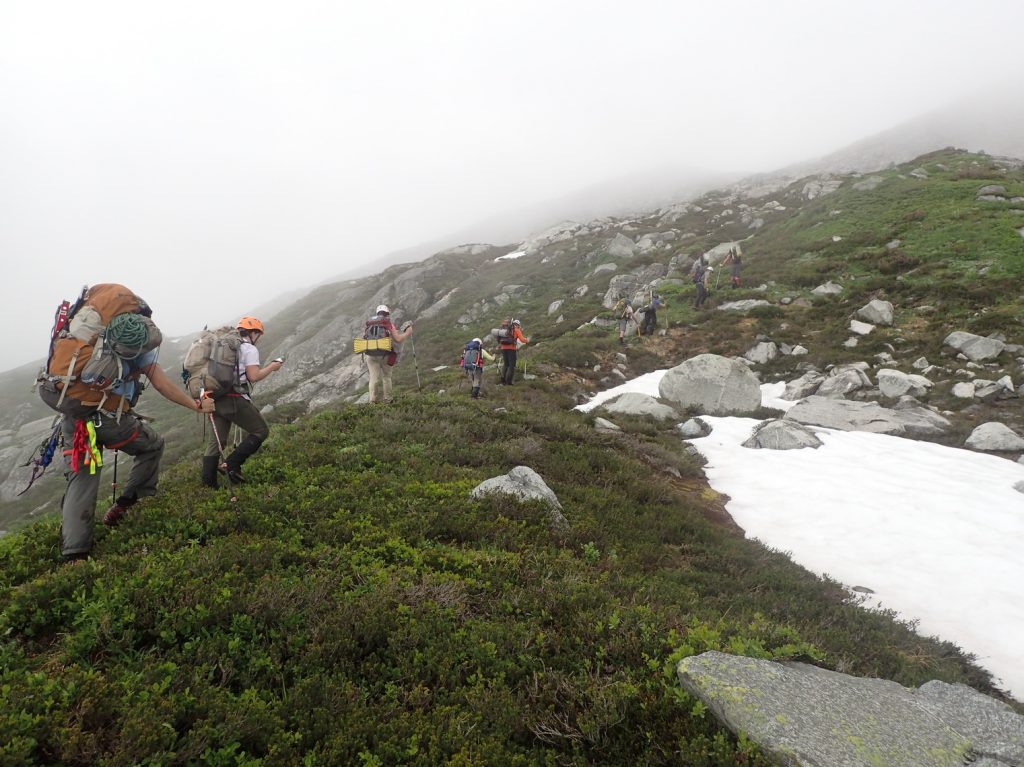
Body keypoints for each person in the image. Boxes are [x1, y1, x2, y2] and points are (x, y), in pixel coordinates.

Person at [37, 284, 215, 562]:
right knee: (152, 445)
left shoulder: (86, 337)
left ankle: (75, 554)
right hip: (109, 420)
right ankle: (129, 505)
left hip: (75, 416)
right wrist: (193, 404)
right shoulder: (136, 345)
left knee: (82, 478)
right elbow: (161, 383)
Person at [201, 316, 283, 487]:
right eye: (257, 334)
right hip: (234, 398)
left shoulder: (221, 347)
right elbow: (254, 376)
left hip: (215, 398)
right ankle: (231, 464)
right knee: (261, 431)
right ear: (252, 333)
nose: (258, 338)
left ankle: (208, 486)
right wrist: (272, 367)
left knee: (216, 443)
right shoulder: (248, 348)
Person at [363, 304, 413, 403]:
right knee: (386, 377)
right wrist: (407, 333)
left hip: (371, 355)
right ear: (387, 314)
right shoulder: (388, 323)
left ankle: (372, 400)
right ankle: (388, 400)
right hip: (385, 355)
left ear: (377, 313)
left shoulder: (370, 324)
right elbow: (398, 339)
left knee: (373, 378)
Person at [498, 319, 529, 385]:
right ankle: (508, 382)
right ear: (518, 325)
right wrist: (527, 340)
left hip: (503, 348)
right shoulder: (517, 330)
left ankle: (503, 380)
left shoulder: (506, 330)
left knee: (506, 364)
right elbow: (522, 339)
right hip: (511, 349)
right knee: (511, 366)